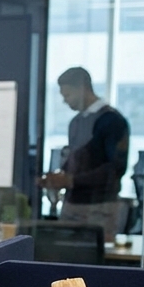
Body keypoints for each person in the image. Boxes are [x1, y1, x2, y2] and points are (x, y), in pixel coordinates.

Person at [40, 66, 130, 242]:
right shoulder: (76, 122)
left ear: (82, 89)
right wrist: (59, 177)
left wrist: (72, 181)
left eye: (67, 95)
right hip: (72, 206)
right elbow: (77, 157)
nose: (65, 101)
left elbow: (116, 168)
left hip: (100, 207)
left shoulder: (112, 121)